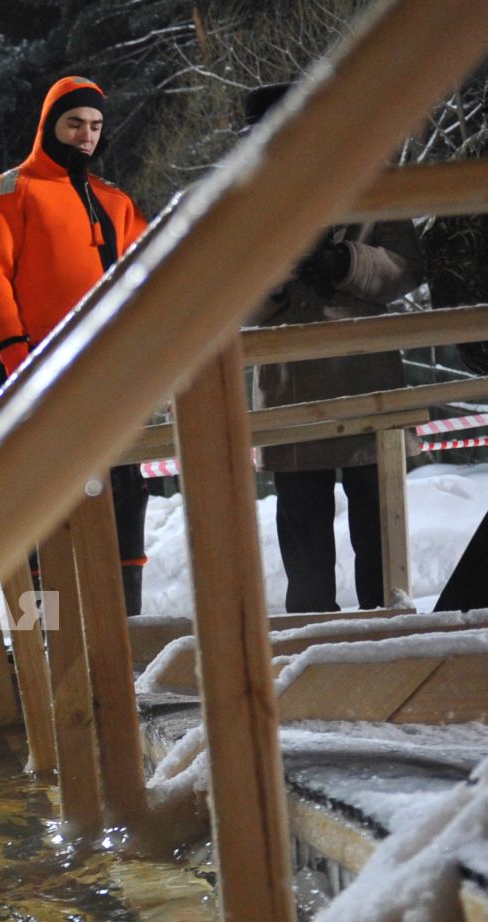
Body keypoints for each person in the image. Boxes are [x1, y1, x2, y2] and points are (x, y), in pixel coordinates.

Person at [0, 75, 152, 613]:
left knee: (123, 493)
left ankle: (125, 627)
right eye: (74, 124)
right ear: (49, 126)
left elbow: (146, 277)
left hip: (108, 378)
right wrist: (19, 360)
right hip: (33, 376)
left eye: (95, 126)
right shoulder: (8, 192)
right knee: (38, 500)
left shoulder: (115, 201)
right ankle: (47, 638)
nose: (86, 136)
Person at [245, 82, 424, 613]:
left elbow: (408, 265)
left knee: (378, 530)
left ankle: (388, 634)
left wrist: (347, 262)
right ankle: (314, 642)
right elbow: (222, 299)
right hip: (290, 383)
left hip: (365, 373)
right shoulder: (244, 198)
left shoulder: (370, 178)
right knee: (304, 544)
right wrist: (277, 277)